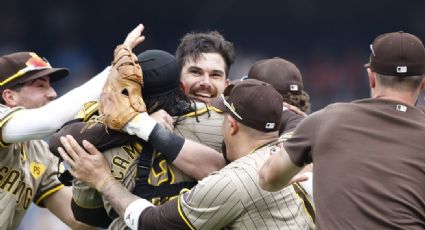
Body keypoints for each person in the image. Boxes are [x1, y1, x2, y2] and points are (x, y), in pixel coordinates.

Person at [57, 79, 315, 230]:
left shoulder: (232, 182)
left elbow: (151, 223)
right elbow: (298, 124)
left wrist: (104, 181)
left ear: (232, 125)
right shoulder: (291, 148)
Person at [259, 31, 425, 229]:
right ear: (423, 84)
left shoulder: (325, 120)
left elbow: (269, 179)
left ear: (371, 78)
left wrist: (300, 137)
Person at [0, 51, 110, 229]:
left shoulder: (39, 152)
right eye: (40, 85)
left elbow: (80, 221)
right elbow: (50, 120)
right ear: (9, 97)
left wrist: (105, 181)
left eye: (50, 85)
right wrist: (112, 73)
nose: (52, 93)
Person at [176, 31, 235, 104]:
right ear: (177, 78)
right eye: (195, 72)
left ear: (226, 86)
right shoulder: (159, 113)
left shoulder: (240, 115)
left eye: (215, 75)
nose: (206, 83)